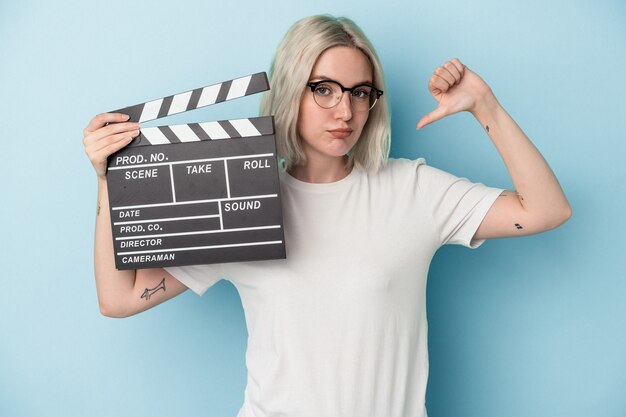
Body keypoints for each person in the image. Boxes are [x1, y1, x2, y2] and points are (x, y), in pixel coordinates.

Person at [82, 14, 571, 417]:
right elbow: (119, 298)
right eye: (325, 89)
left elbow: (546, 209)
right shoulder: (239, 202)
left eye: (361, 92)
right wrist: (107, 182)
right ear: (292, 89)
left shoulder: (411, 190)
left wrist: (484, 105)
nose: (345, 111)